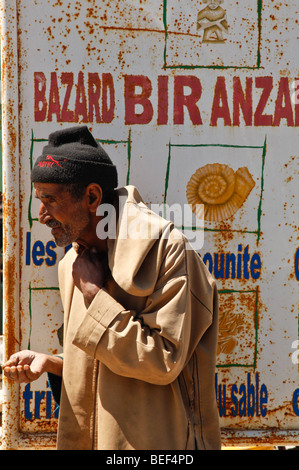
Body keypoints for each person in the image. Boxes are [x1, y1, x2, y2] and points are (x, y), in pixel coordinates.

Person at [3, 126, 221, 450]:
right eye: (39, 200)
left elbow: (164, 361)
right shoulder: (72, 263)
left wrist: (95, 295)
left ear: (92, 197)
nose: (41, 215)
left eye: (50, 200)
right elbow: (107, 361)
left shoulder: (167, 250)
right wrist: (55, 363)